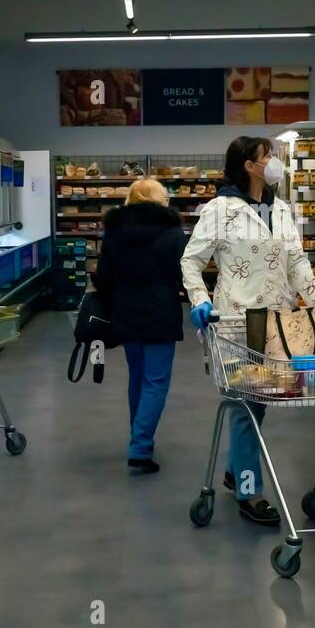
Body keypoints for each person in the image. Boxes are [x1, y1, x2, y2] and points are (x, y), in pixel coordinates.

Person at [181, 137, 315, 525]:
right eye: (268, 156)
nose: (275, 161)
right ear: (249, 165)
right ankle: (249, 490)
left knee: (258, 401)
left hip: (278, 324)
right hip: (234, 322)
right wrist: (199, 301)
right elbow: (191, 261)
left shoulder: (281, 209)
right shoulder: (219, 209)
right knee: (248, 403)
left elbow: (296, 259)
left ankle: (233, 469)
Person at [94, 178, 186, 474]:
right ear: (156, 200)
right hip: (160, 310)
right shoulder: (172, 232)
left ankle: (139, 437)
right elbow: (182, 273)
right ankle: (141, 447)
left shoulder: (114, 232)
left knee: (137, 376)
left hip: (125, 310)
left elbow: (104, 277)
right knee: (156, 380)